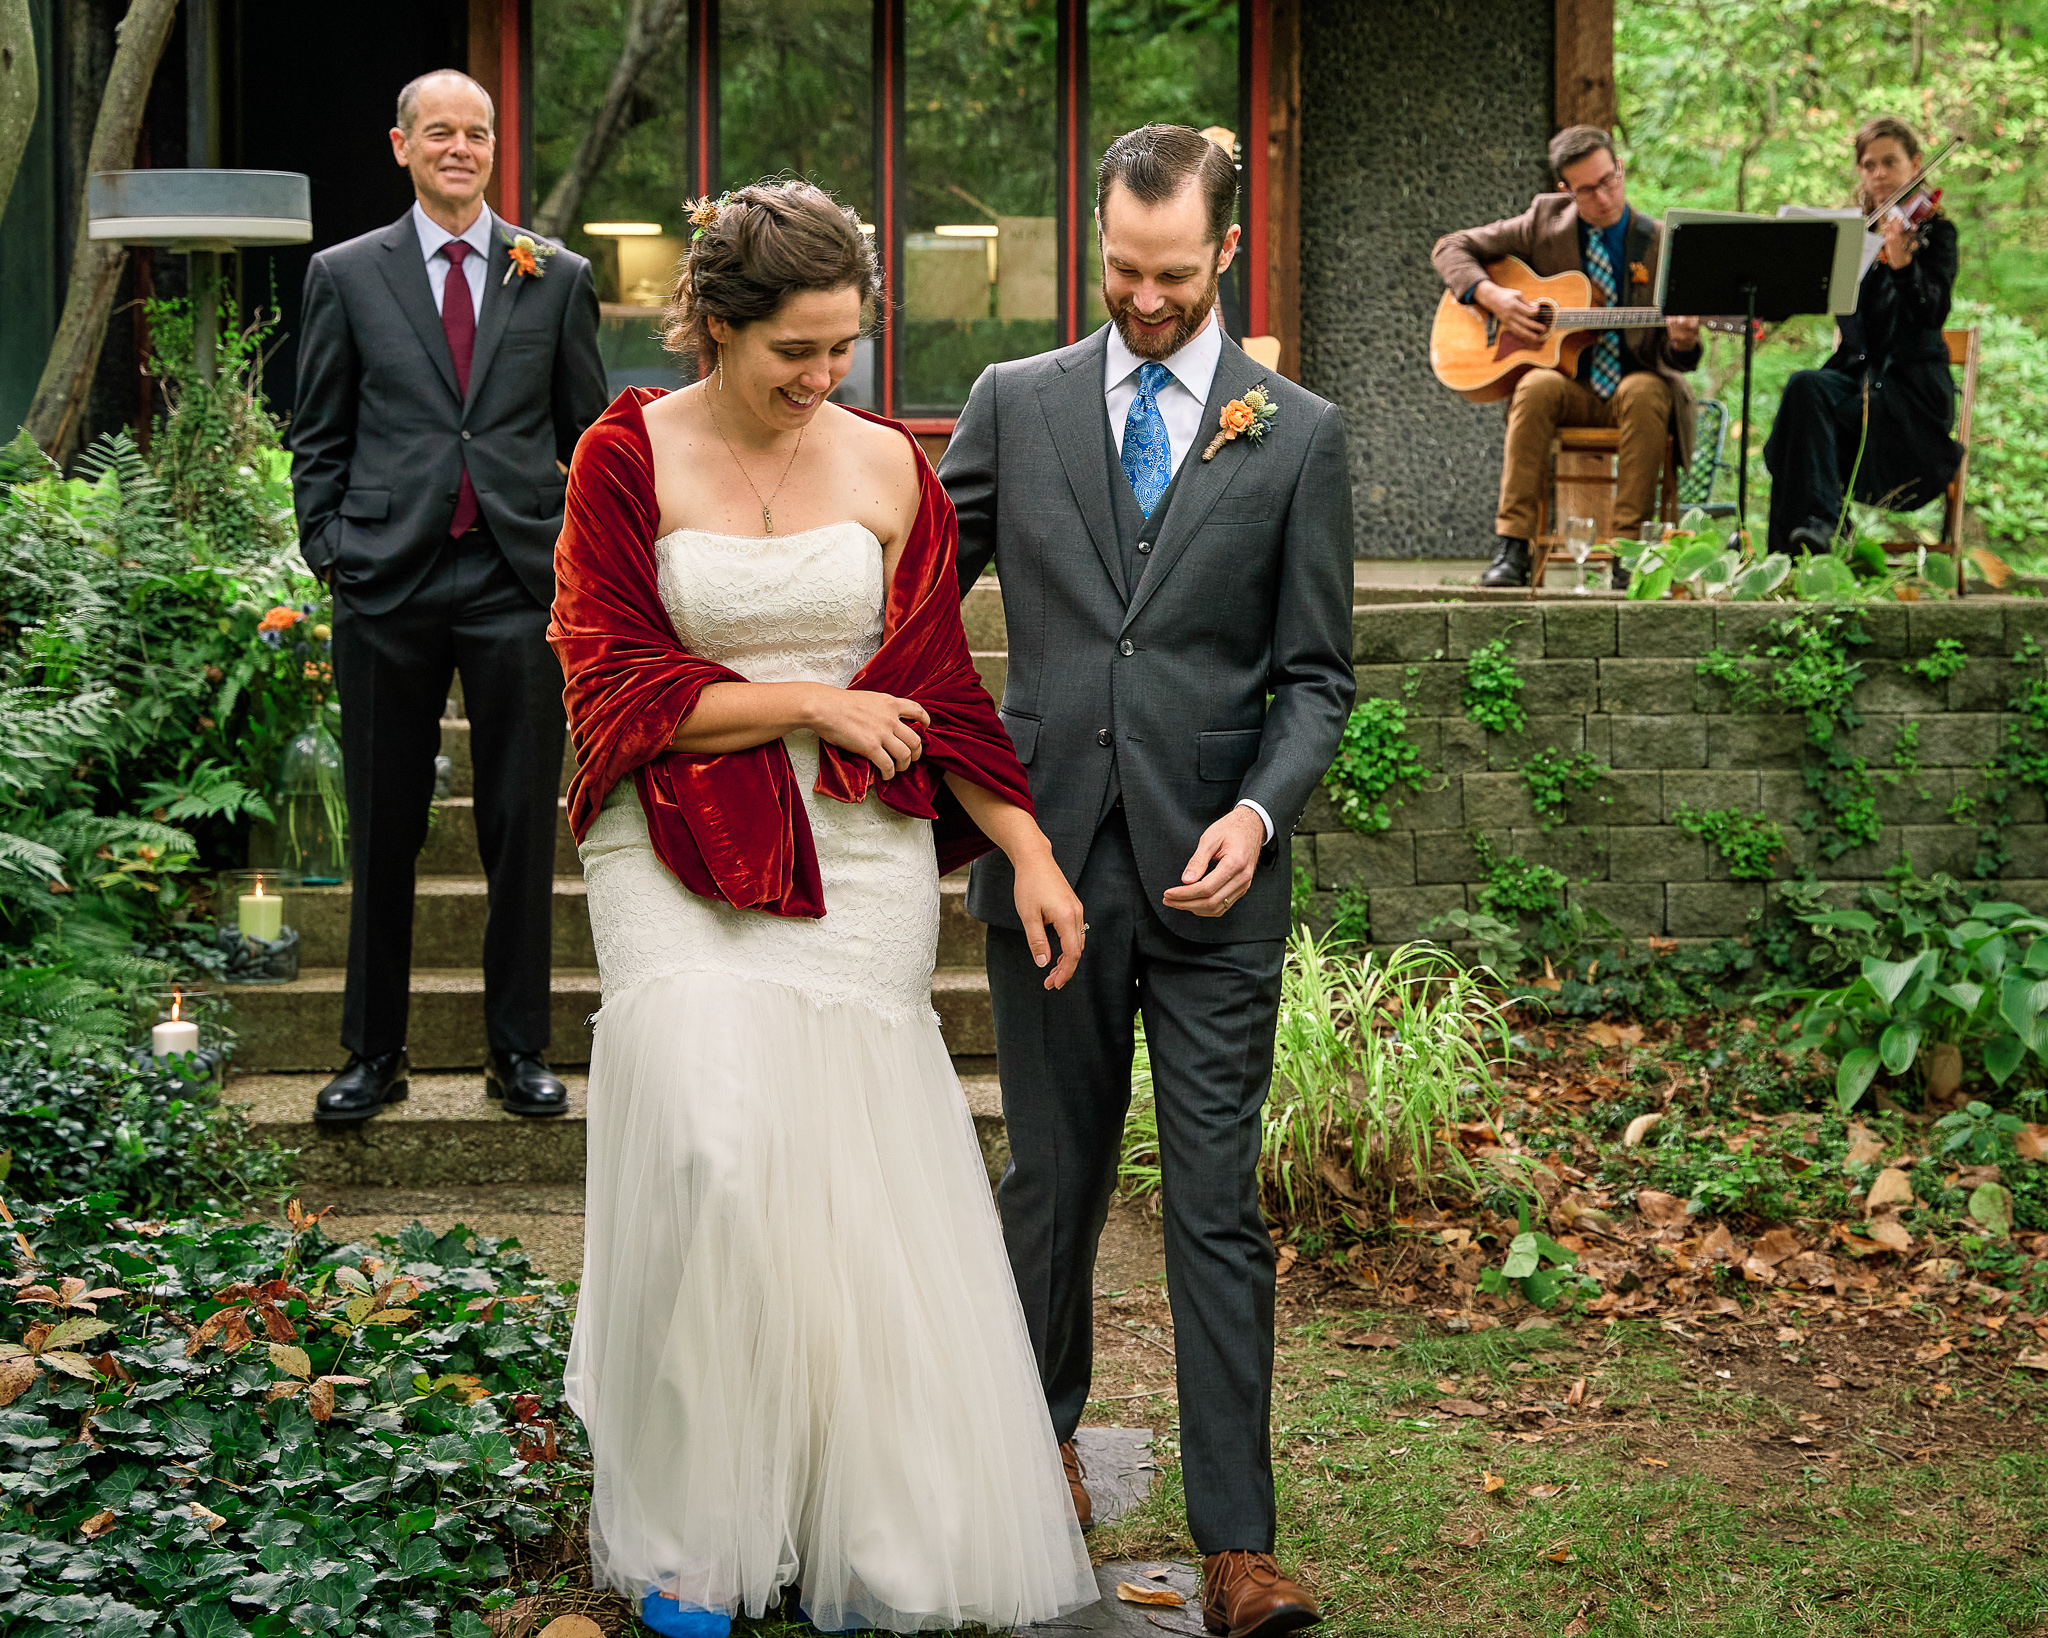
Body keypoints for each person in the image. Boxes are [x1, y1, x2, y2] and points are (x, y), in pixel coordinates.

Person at [550, 180, 1099, 1638]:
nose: (822, 377)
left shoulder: (887, 466)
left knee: (849, 1174)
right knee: (718, 1154)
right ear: (715, 329)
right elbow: (610, 685)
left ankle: (857, 1520)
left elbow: (944, 689)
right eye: (796, 349)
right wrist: (812, 702)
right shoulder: (624, 456)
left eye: (844, 346)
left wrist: (1028, 852)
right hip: (667, 834)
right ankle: (696, 1533)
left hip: (856, 855)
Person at [939, 125, 1353, 1638]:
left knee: (1215, 1204)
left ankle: (1237, 1545)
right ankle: (1030, 1454)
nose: (1145, 296)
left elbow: (1317, 679)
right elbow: (918, 598)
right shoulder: (1013, 402)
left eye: (1172, 273)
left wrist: (1257, 812)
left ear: (1223, 251)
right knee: (1048, 1180)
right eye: (1121, 267)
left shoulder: (1295, 432)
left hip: (1212, 878)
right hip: (1045, 863)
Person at [290, 69, 606, 1127]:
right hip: (386, 578)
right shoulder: (345, 273)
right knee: (385, 822)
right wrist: (329, 547)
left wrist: (573, 557)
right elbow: (318, 429)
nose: (458, 148)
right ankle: (372, 1054)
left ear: (492, 146)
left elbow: (585, 436)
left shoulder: (554, 275)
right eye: (438, 132)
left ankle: (517, 1051)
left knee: (521, 824)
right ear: (401, 146)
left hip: (516, 581)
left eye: (475, 132)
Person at [1432, 125, 1702, 587]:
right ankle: (1513, 548)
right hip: (1569, 386)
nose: (1603, 196)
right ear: (1565, 191)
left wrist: (1681, 340)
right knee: (1534, 386)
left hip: (1631, 387)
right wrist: (1493, 296)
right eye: (1587, 189)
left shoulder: (1659, 243)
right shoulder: (1543, 222)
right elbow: (1450, 247)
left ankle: (1626, 552)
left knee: (1645, 390)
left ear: (1619, 167)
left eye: (1609, 179)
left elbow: (1677, 358)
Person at [1764, 117, 1964, 556]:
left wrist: (1903, 265)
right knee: (1803, 388)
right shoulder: (1852, 237)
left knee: (1802, 422)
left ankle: (1811, 541)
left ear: (1915, 164)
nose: (1877, 173)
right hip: (1858, 385)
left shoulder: (1935, 235)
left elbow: (1930, 315)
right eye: (1868, 164)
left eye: (1889, 162)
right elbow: (1838, 317)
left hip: (1909, 401)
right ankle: (1812, 534)